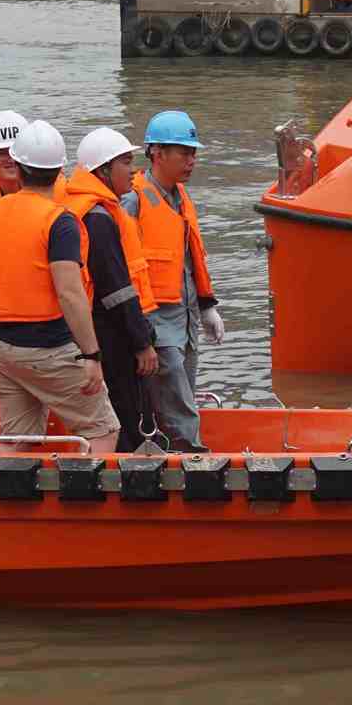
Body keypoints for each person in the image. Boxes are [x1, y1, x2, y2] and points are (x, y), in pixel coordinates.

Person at [0, 119, 119, 454]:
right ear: (59, 170)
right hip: (49, 346)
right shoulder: (59, 222)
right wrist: (91, 354)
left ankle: (6, 489)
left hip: (1, 348)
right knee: (101, 430)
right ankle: (82, 490)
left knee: (16, 439)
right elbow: (70, 293)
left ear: (18, 167)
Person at [123, 110, 223, 453]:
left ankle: (172, 447)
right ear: (157, 153)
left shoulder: (180, 197)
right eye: (184, 153)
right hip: (154, 316)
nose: (191, 161)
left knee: (183, 386)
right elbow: (124, 265)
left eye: (193, 153)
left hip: (186, 313)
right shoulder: (134, 199)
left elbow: (189, 260)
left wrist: (207, 307)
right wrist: (137, 326)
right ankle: (191, 452)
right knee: (175, 388)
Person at [58, 126, 160, 451]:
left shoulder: (83, 208)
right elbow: (117, 290)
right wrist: (142, 342)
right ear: (103, 171)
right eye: (125, 162)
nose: (133, 170)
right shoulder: (98, 218)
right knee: (125, 413)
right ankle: (127, 470)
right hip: (110, 335)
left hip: (93, 328)